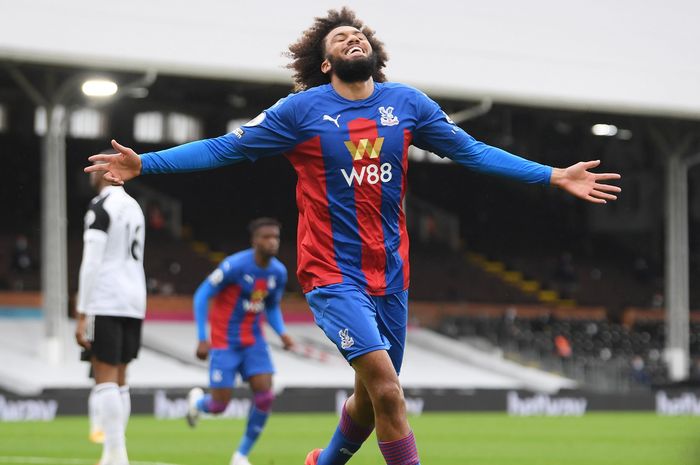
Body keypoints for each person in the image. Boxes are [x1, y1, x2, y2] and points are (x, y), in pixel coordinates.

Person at [85, 8, 621, 465]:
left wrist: (553, 175)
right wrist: (146, 163)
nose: (353, 38)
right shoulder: (301, 111)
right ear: (325, 63)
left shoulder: (407, 104)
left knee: (369, 401)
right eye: (340, 38)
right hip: (331, 274)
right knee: (390, 390)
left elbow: (473, 152)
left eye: (358, 34)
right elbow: (227, 149)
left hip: (391, 275)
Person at [186, 217, 294, 465]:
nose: (272, 242)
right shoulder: (233, 266)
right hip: (225, 341)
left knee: (265, 396)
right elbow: (202, 295)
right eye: (267, 237)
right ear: (255, 240)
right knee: (219, 406)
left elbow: (272, 306)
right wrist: (202, 338)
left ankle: (241, 455)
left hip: (254, 341)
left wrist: (282, 332)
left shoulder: (278, 272)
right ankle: (199, 403)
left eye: (276, 237)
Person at [76, 154, 147, 465]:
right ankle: (114, 453)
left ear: (110, 175)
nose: (93, 173)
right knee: (120, 378)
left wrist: (81, 312)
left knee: (104, 376)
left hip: (106, 296)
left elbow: (92, 261)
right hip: (134, 298)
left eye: (99, 168)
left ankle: (116, 455)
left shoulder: (100, 207)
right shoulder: (135, 207)